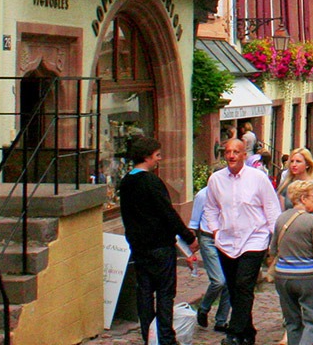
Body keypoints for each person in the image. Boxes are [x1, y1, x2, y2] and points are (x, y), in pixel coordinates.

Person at [203, 138, 283, 345]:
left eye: (236, 152)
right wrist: (215, 230)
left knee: (243, 285)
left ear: (244, 155)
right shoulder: (216, 179)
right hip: (227, 241)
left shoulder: (258, 178)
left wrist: (274, 241)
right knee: (233, 286)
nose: (231, 156)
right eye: (228, 152)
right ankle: (248, 332)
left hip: (254, 239)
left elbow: (272, 209)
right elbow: (210, 207)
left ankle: (234, 333)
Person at [118, 136, 197, 345]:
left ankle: (148, 335)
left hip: (139, 246)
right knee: (164, 293)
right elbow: (167, 213)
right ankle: (164, 337)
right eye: (157, 156)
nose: (159, 160)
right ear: (147, 157)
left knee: (144, 293)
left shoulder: (126, 182)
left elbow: (126, 215)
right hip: (159, 246)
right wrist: (188, 237)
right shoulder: (151, 181)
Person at [274, 180, 313, 345]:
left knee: (292, 322)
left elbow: (272, 250)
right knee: (312, 320)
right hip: (306, 276)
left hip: (282, 275)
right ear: (303, 198)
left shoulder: (280, 219)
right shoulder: (312, 221)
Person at [189, 184, 230, 333]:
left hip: (227, 239)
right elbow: (194, 221)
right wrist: (192, 243)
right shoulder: (202, 195)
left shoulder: (232, 192)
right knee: (219, 280)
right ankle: (204, 308)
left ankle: (221, 320)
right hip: (208, 239)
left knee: (229, 282)